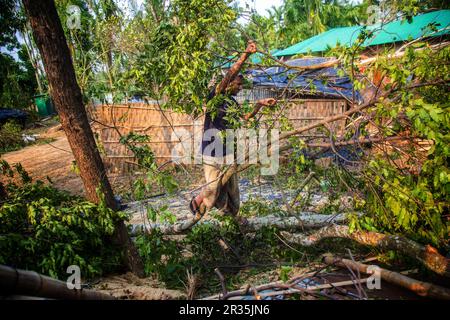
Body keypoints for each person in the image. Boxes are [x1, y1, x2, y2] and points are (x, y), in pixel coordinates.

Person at [189, 41, 277, 222]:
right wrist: (245, 54)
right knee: (213, 191)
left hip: (229, 153)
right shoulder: (217, 95)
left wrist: (259, 105)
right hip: (212, 151)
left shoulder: (232, 103)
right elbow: (231, 73)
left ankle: (231, 223)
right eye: (238, 84)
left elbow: (245, 118)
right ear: (229, 83)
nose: (240, 87)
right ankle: (197, 200)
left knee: (233, 196)